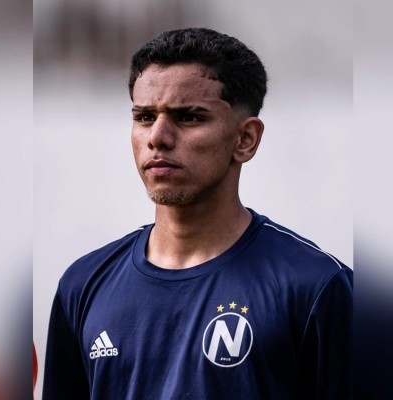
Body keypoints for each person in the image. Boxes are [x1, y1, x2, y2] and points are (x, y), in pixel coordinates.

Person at [43, 28, 352, 399]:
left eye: (189, 117)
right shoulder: (83, 284)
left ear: (245, 139)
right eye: (144, 116)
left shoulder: (316, 286)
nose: (157, 137)